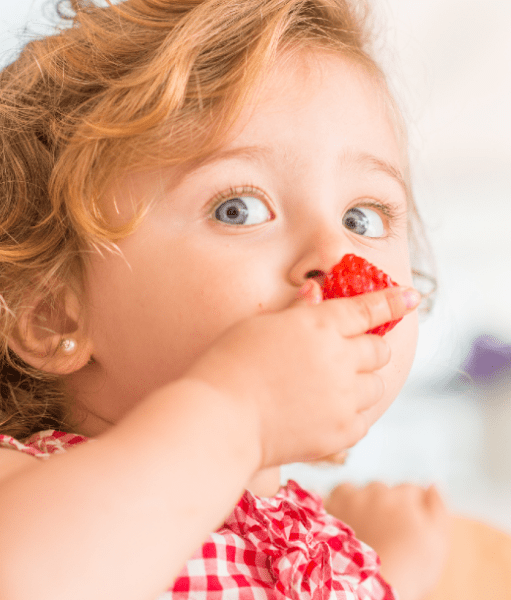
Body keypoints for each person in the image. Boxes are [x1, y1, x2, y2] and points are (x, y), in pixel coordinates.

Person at [0, 1, 448, 599]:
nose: (336, 254)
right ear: (51, 311)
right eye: (238, 209)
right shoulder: (29, 492)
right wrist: (237, 412)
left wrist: (390, 576)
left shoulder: (328, 548)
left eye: (363, 217)